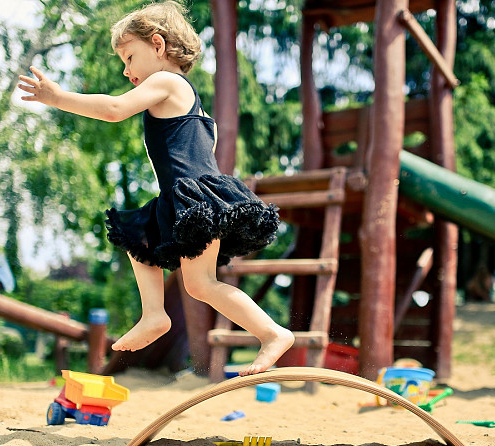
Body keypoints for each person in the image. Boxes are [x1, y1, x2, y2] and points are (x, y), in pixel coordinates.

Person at [17, 0, 294, 376]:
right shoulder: (195, 106)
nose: (126, 69)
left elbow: (114, 110)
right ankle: (154, 315)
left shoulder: (167, 82)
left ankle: (272, 333)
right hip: (185, 196)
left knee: (202, 284)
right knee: (140, 239)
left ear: (158, 45)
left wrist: (57, 98)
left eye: (130, 57)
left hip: (192, 197)